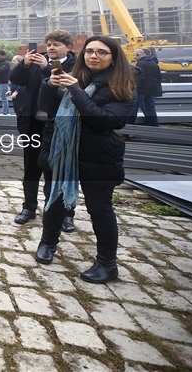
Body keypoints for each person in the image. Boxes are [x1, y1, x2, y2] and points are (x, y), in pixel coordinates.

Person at [34, 35, 136, 284]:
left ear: (114, 58)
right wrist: (50, 85)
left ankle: (107, 263)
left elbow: (104, 120)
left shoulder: (121, 86)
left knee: (100, 209)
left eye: (102, 52)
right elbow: (46, 108)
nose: (93, 56)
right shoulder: (74, 77)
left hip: (97, 155)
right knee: (54, 200)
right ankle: (48, 243)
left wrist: (76, 91)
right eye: (89, 51)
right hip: (61, 151)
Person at [9, 30, 77, 230]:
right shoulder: (36, 62)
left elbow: (65, 85)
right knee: (31, 169)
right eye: (49, 45)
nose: (51, 48)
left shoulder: (75, 65)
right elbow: (16, 79)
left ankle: (65, 213)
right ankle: (29, 207)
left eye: (56, 44)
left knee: (60, 171)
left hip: (61, 128)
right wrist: (24, 64)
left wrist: (47, 68)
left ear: (68, 47)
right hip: (34, 124)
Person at [129, 48, 162, 126]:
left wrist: (134, 86)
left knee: (134, 106)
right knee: (150, 108)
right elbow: (159, 76)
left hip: (141, 89)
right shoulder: (154, 63)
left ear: (138, 55)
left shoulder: (140, 64)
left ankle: (130, 124)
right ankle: (153, 124)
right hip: (152, 89)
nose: (134, 57)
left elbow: (140, 77)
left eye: (134, 55)